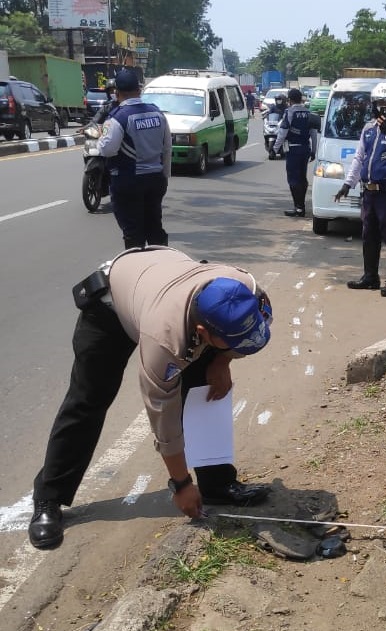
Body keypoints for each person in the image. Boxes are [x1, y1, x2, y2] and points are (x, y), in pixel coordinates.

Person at [28, 246, 274, 549]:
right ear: (202, 331)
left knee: (205, 389)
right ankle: (48, 498)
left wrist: (221, 361)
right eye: (231, 342)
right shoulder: (165, 340)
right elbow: (163, 417)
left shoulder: (247, 290)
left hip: (167, 286)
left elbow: (250, 329)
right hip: (112, 306)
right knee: (88, 399)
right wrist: (181, 484)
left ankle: (217, 483)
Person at [335, 82, 386, 297]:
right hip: (368, 192)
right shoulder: (368, 129)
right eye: (380, 103)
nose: (384, 107)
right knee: (368, 234)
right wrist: (348, 183)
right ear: (373, 105)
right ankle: (370, 277)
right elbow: (359, 158)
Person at [97, 68, 172, 250]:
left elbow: (107, 150)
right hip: (156, 180)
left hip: (129, 182)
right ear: (139, 90)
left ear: (116, 93)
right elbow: (167, 147)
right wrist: (165, 176)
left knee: (133, 234)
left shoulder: (118, 118)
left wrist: (100, 136)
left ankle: (137, 271)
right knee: (155, 228)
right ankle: (164, 268)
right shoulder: (158, 113)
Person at [272, 87, 318, 217]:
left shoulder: (290, 112)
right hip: (305, 149)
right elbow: (313, 134)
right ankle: (301, 206)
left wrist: (274, 150)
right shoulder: (309, 113)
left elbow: (282, 132)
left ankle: (298, 208)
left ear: (290, 100)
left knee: (293, 179)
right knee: (302, 178)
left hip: (293, 149)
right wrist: (313, 151)